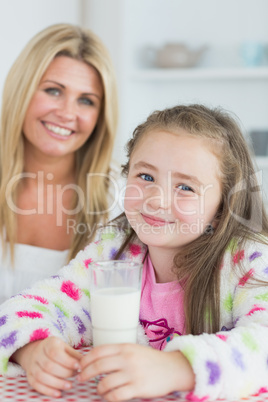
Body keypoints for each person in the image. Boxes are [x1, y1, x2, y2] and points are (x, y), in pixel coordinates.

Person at [0, 104, 267, 401]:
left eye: (185, 187)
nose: (156, 200)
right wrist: (33, 347)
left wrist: (176, 367)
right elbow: (30, 306)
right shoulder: (114, 250)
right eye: (146, 177)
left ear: (222, 208)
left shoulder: (248, 262)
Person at [0, 23, 122, 303]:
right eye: (53, 91)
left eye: (86, 101)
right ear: (22, 90)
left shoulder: (119, 199)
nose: (67, 113)